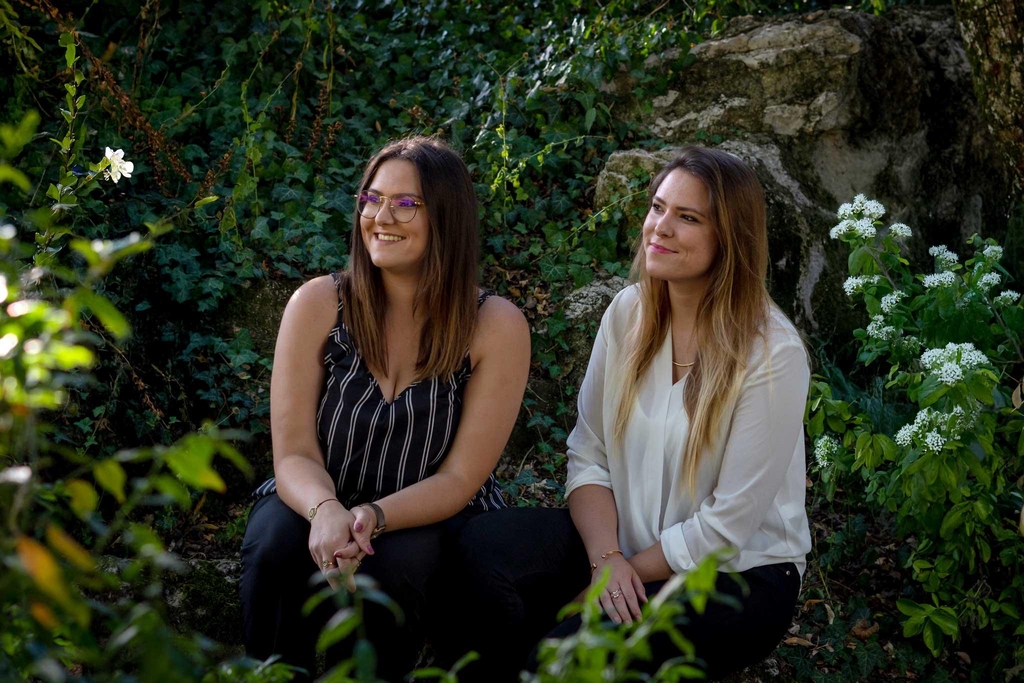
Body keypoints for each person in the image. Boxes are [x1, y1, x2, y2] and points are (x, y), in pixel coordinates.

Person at [451, 146, 812, 681]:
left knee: (563, 660)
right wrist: (605, 561)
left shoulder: (772, 353)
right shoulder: (628, 314)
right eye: (657, 207)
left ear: (729, 240)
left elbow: (726, 525)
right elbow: (589, 452)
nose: (659, 228)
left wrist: (617, 578)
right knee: (479, 550)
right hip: (628, 545)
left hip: (736, 576)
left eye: (687, 218)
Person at [239, 136, 531, 682]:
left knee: (392, 570)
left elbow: (461, 477)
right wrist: (326, 509)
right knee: (275, 547)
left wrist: (372, 517)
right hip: (314, 493)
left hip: (430, 510)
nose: (380, 217)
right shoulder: (318, 304)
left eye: (405, 204)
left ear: (446, 217)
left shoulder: (495, 325)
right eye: (371, 200)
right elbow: (295, 451)